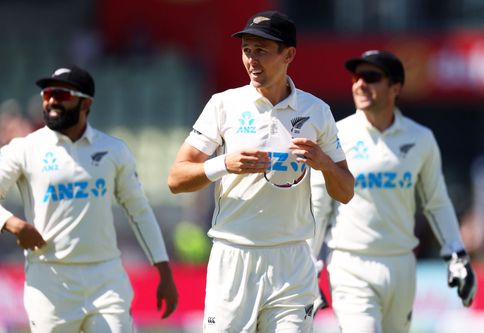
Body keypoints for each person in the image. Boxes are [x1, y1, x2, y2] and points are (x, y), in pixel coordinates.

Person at [168, 10, 354, 332]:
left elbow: (346, 191)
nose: (252, 60)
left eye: (262, 51)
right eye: (247, 50)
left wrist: (322, 162)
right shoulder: (223, 105)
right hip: (234, 255)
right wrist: (224, 164)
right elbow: (176, 178)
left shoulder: (316, 111)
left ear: (289, 55)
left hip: (292, 261)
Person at [0, 65, 178, 333]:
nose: (51, 100)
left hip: (106, 278)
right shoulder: (25, 149)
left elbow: (139, 210)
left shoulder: (113, 150)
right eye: (47, 94)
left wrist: (163, 269)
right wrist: (13, 224)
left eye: (61, 95)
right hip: (51, 280)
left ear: (85, 103)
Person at [308, 50, 477, 333]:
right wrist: (309, 264)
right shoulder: (336, 135)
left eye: (371, 77)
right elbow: (318, 206)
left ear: (395, 87)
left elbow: (436, 202)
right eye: (356, 76)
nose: (360, 84)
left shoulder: (420, 138)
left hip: (401, 264)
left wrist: (456, 253)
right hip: (351, 263)